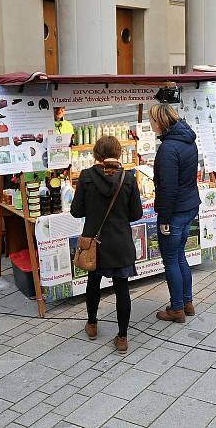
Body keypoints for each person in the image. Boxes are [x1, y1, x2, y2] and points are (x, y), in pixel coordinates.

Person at [70, 135, 143, 353]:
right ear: (119, 153)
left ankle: (92, 324)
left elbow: (76, 211)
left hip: (95, 242)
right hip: (120, 242)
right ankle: (122, 338)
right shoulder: (128, 177)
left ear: (96, 154)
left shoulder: (86, 177)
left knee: (93, 283)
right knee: (122, 289)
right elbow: (136, 213)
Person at [149, 104, 202, 323]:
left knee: (171, 258)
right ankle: (187, 302)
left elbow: (168, 187)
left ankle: (177, 308)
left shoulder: (169, 148)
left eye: (152, 120)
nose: (150, 124)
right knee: (180, 256)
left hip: (176, 209)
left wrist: (165, 219)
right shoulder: (187, 140)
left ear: (160, 122)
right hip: (188, 204)